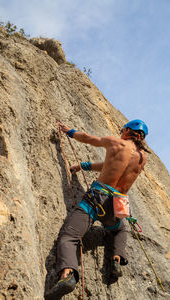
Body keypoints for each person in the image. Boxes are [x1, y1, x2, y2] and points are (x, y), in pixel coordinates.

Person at [45, 119, 150, 300]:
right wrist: (83, 166)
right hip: (118, 204)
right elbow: (110, 165)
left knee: (69, 236)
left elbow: (87, 138)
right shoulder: (142, 158)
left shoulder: (116, 143)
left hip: (97, 198)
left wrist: (69, 131)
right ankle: (116, 259)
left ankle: (68, 275)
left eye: (122, 130)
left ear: (126, 131)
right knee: (118, 230)